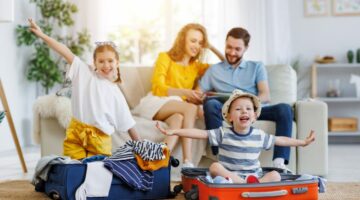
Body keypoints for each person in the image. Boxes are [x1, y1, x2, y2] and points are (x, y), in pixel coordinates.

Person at [28, 19, 141, 160]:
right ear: (94, 63)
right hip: (76, 134)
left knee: (98, 175)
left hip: (100, 139)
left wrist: (141, 147)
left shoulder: (116, 93)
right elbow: (63, 50)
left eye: (110, 60)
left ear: (117, 62)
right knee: (74, 171)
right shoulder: (84, 72)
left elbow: (128, 123)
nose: (106, 65)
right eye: (101, 61)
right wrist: (42, 35)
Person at [157, 90, 315, 183]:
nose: (244, 111)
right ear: (230, 117)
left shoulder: (259, 136)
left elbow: (281, 140)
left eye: (248, 109)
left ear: (254, 117)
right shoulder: (223, 133)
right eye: (238, 109)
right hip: (230, 176)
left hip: (254, 176)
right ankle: (245, 185)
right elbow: (199, 133)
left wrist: (302, 142)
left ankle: (252, 184)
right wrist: (175, 132)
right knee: (214, 168)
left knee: (275, 175)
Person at [199, 27, 294, 170]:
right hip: (228, 111)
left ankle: (279, 162)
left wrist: (248, 106)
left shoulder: (256, 67)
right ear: (225, 44)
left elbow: (265, 94)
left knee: (285, 109)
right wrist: (200, 97)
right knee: (210, 104)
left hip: (253, 109)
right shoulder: (214, 70)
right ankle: (219, 154)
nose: (232, 52)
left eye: (237, 49)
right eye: (229, 47)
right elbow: (198, 93)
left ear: (246, 48)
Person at [132, 23, 224, 168]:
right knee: (190, 109)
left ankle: (158, 160)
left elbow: (225, 65)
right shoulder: (165, 57)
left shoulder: (196, 66)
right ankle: (187, 162)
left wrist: (210, 46)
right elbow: (158, 87)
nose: (197, 46)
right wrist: (185, 93)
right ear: (182, 40)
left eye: (200, 43)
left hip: (175, 107)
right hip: (157, 101)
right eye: (193, 41)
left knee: (178, 119)